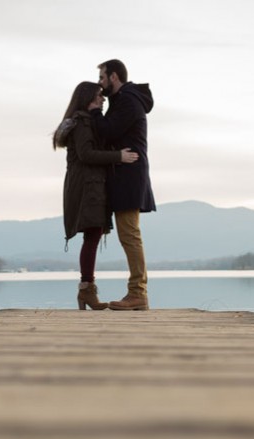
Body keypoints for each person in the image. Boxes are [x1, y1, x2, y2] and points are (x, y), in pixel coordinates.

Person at [53, 82, 139, 310]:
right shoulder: (82, 122)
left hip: (92, 185)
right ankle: (86, 289)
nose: (102, 99)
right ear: (88, 98)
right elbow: (86, 153)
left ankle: (87, 291)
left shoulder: (87, 120)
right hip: (87, 187)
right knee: (92, 235)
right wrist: (117, 156)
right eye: (99, 95)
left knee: (93, 235)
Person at [91, 59, 155, 311]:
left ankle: (138, 292)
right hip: (125, 174)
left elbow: (109, 131)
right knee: (128, 235)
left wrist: (95, 110)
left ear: (114, 77)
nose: (100, 83)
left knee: (130, 235)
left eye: (102, 78)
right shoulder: (123, 100)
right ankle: (137, 292)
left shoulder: (128, 100)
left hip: (129, 175)